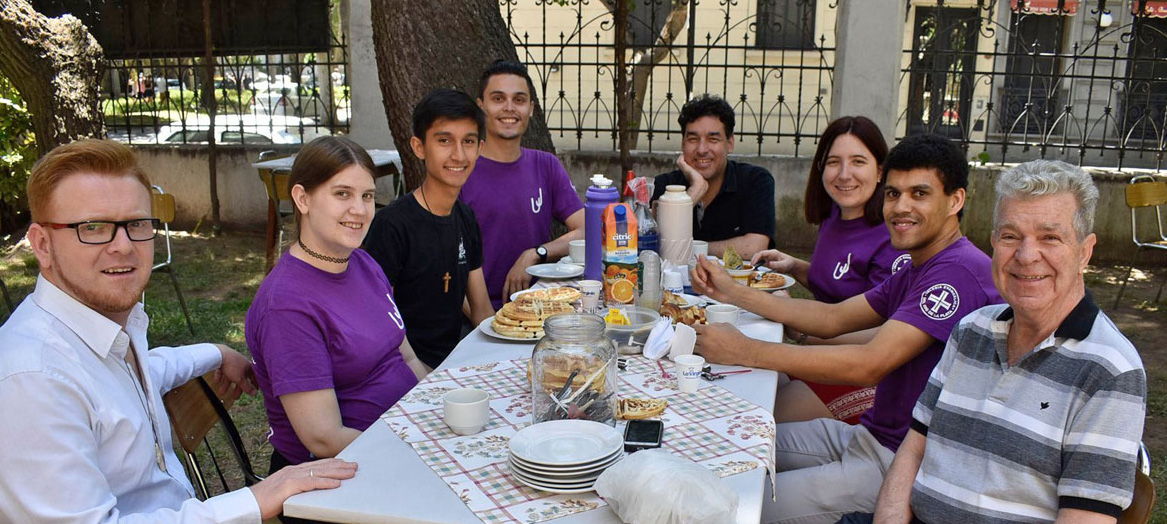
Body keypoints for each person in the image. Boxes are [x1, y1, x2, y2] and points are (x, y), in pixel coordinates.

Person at [0, 139, 356, 523]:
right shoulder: (31, 380)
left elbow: (142, 375)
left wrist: (217, 352)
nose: (123, 246)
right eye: (93, 227)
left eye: (136, 224)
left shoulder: (103, 330)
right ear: (42, 244)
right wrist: (257, 498)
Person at [690, 133, 1002, 524]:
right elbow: (833, 318)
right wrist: (733, 292)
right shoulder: (921, 263)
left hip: (899, 464)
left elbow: (869, 364)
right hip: (867, 438)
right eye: (893, 194)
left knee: (733, 506)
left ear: (955, 201)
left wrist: (744, 350)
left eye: (919, 194)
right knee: (726, 440)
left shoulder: (956, 273)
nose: (900, 207)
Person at [872, 160, 1146, 524]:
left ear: (1084, 252)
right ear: (993, 243)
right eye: (1011, 236)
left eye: (1050, 237)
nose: (1026, 255)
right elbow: (913, 448)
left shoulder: (1111, 370)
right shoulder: (971, 330)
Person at [248, 136, 427, 486]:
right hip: (344, 476)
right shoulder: (287, 306)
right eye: (342, 194)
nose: (359, 210)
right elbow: (324, 438)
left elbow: (405, 356)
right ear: (302, 199)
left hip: (400, 438)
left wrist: (437, 406)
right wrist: (417, 449)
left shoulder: (361, 262)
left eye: (367, 196)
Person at [751, 116, 908, 424]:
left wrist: (803, 331)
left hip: (862, 377)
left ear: (879, 171)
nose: (844, 174)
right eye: (834, 162)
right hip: (819, 357)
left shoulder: (892, 237)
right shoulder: (835, 216)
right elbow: (839, 285)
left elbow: (887, 335)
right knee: (744, 386)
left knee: (757, 416)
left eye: (858, 161)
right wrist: (795, 267)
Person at [364, 89, 494, 369]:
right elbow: (376, 321)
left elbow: (482, 311)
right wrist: (424, 375)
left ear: (480, 148)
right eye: (444, 140)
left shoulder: (465, 217)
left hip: (455, 359)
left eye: (468, 141)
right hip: (402, 369)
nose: (458, 154)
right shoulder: (392, 226)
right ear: (419, 146)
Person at [459, 60, 585, 308]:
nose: (509, 108)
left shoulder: (545, 165)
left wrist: (535, 253)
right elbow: (444, 259)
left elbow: (587, 231)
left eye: (519, 100)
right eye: (498, 99)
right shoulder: (460, 169)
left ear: (531, 108)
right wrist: (482, 320)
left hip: (538, 305)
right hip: (476, 317)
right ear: (480, 106)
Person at [650, 94, 775, 259]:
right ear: (682, 144)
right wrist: (694, 192)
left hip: (737, 283)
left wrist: (691, 248)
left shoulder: (755, 181)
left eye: (713, 139)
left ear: (729, 144)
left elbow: (753, 247)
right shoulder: (664, 186)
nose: (702, 149)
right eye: (693, 139)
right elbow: (656, 245)